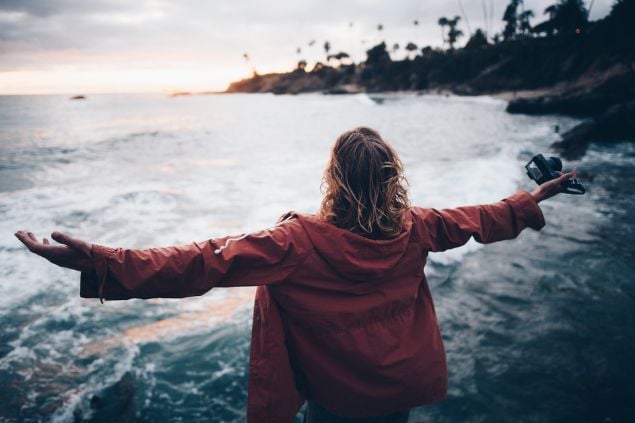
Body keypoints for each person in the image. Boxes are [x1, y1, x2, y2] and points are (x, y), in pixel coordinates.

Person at [15, 127, 576, 423]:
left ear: (333, 179)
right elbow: (480, 218)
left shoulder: (296, 243)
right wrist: (533, 197)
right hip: (399, 386)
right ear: (391, 180)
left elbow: (199, 262)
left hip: (338, 398)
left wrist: (101, 261)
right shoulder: (418, 227)